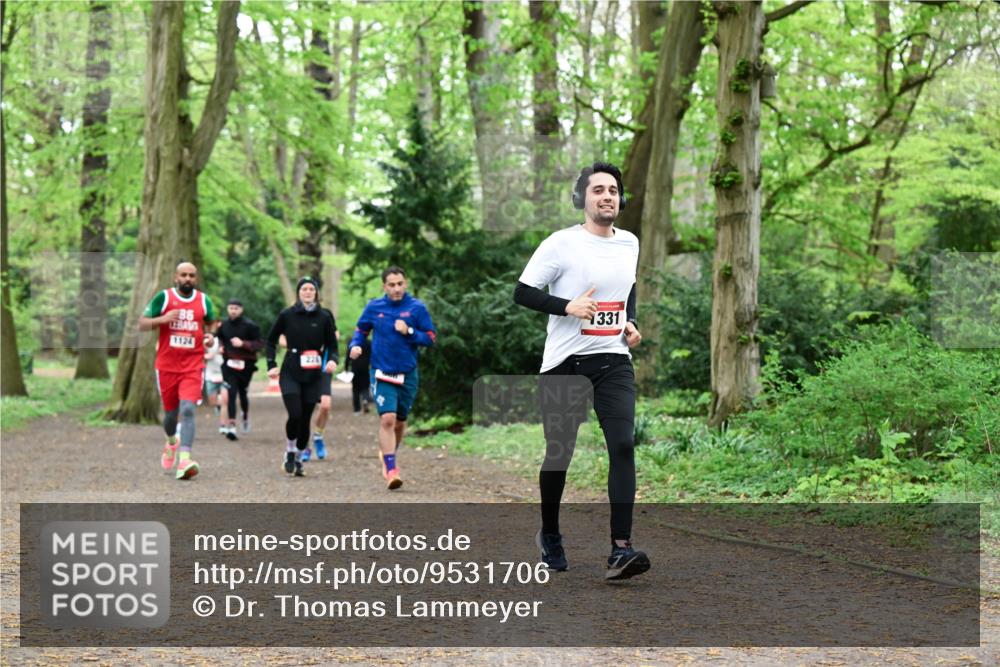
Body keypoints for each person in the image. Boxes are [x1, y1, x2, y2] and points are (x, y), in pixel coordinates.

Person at [513, 162, 648, 581]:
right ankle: (550, 534)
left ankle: (620, 550)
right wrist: (566, 306)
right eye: (598, 190)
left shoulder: (629, 243)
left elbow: (627, 290)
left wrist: (631, 322)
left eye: (613, 190)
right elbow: (522, 292)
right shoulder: (560, 244)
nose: (607, 196)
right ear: (583, 199)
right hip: (564, 365)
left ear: (619, 199)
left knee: (623, 445)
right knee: (559, 454)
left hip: (613, 361)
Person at [349, 267, 436, 490]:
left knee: (400, 422)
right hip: (381, 372)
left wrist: (409, 332)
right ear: (384, 286)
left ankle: (388, 454)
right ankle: (391, 469)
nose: (396, 288)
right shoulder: (374, 307)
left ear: (405, 284)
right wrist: (356, 345)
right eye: (391, 285)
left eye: (400, 284)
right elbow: (360, 330)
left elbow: (430, 338)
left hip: (407, 373)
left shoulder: (417, 308)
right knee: (387, 419)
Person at [138, 261, 217, 480]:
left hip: (193, 365)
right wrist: (163, 319)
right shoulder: (163, 298)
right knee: (171, 415)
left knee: (189, 410)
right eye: (183, 275)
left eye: (191, 275)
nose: (187, 279)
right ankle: (172, 441)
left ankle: (185, 460)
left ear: (196, 278)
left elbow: (211, 323)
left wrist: (210, 336)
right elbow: (142, 323)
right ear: (176, 277)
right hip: (166, 366)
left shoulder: (203, 300)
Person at [265, 277, 338, 477]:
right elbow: (270, 341)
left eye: (311, 289)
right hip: (291, 370)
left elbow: (333, 345)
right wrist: (271, 364)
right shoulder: (287, 315)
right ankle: (289, 450)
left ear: (316, 293)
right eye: (304, 289)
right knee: (295, 413)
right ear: (298, 293)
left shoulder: (323, 317)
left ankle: (298, 458)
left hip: (313, 373)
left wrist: (332, 360)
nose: (307, 292)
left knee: (305, 418)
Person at [217, 298, 264, 440]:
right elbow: (219, 338)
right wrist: (220, 346)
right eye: (231, 308)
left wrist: (242, 343)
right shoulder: (223, 325)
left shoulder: (250, 326)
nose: (233, 311)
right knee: (231, 393)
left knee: (243, 394)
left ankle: (245, 415)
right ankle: (231, 425)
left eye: (236, 308)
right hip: (229, 365)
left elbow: (260, 344)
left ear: (241, 310)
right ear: (227, 309)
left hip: (246, 366)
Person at [303, 307, 338, 462]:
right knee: (304, 410)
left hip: (322, 368)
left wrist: (331, 353)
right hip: (303, 368)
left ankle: (317, 436)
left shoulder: (326, 314)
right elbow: (283, 337)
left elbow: (335, 335)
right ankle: (303, 444)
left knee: (325, 405)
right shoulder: (295, 315)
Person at [203, 334, 225, 430]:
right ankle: (217, 406)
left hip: (224, 373)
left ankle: (223, 422)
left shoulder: (225, 341)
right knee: (212, 399)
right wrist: (207, 356)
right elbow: (202, 355)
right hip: (211, 374)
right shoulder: (208, 341)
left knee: (223, 398)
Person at [350, 337, 372, 415]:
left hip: (355, 368)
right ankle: (365, 399)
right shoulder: (369, 342)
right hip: (365, 368)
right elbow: (372, 355)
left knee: (355, 389)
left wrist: (346, 368)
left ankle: (357, 410)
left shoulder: (353, 343)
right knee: (365, 387)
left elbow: (348, 355)